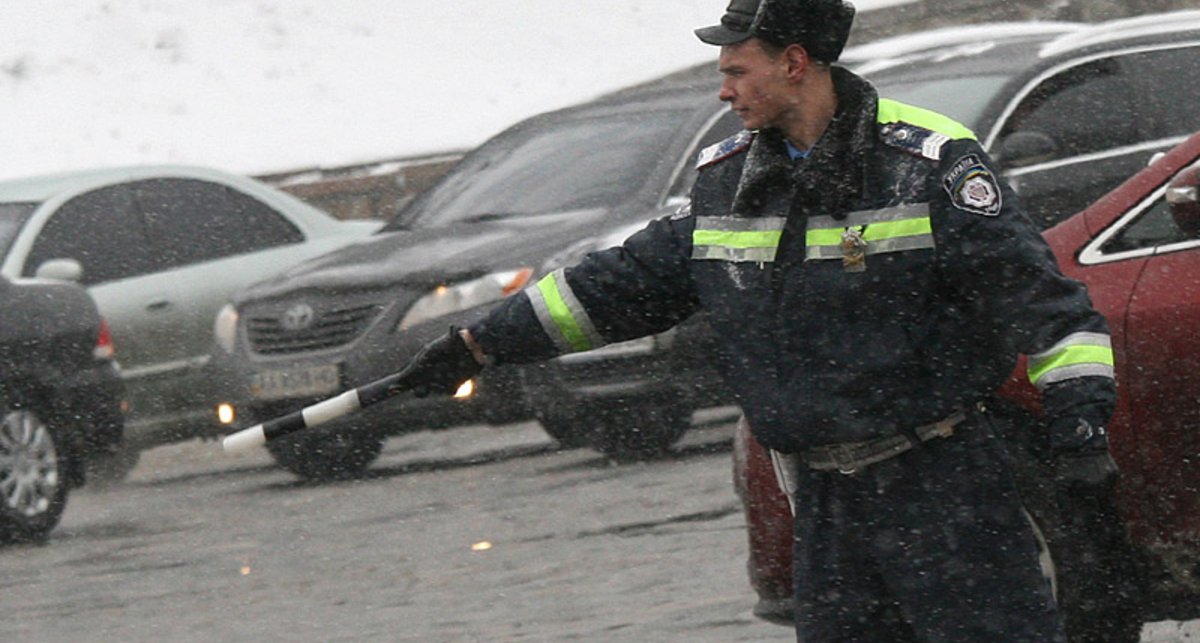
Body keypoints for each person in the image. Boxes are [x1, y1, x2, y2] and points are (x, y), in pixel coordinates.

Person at [393, 0, 1120, 640]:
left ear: (795, 63)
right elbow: (622, 284)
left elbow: (1040, 302)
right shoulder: (728, 177)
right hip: (827, 502)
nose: (724, 88)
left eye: (739, 70)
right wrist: (478, 342)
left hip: (943, 483)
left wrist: (1081, 428)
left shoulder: (924, 163)